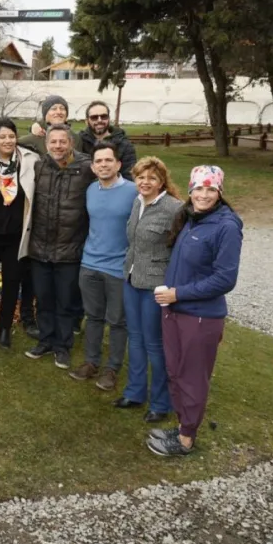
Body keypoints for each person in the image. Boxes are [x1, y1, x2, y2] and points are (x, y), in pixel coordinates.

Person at [146, 165, 242, 457]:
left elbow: (225, 279)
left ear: (220, 192)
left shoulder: (227, 226)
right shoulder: (191, 218)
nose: (203, 194)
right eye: (198, 188)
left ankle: (186, 439)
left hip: (200, 316)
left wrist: (178, 293)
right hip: (174, 310)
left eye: (211, 189)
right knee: (175, 372)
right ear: (190, 190)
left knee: (192, 377)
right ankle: (182, 426)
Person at [116, 157, 184, 422]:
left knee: (154, 344)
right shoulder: (137, 202)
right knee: (135, 339)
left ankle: (160, 403)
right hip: (131, 280)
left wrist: (174, 285)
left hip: (156, 286)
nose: (145, 182)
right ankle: (134, 393)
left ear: (161, 181)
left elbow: (181, 250)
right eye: (141, 177)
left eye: (151, 178)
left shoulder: (174, 208)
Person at [24, 124, 95, 370]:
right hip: (40, 248)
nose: (58, 146)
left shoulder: (86, 169)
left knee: (65, 302)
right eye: (53, 142)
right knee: (44, 299)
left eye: (62, 141)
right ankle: (45, 340)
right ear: (46, 145)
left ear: (71, 143)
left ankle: (62, 346)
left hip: (69, 249)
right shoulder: (39, 166)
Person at [68, 142, 138, 390]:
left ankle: (112, 369)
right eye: (98, 161)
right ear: (93, 167)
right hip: (90, 264)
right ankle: (91, 362)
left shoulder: (133, 191)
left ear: (118, 164)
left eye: (108, 160)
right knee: (93, 317)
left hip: (119, 267)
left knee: (118, 321)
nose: (103, 165)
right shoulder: (90, 190)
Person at [0, 118, 39, 349]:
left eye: (11, 136)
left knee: (12, 282)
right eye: (2, 137)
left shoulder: (30, 161)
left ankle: (4, 327)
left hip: (17, 235)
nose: (7, 141)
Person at [79, 100, 137, 180]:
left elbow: (129, 176)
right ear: (86, 121)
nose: (99, 120)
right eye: (94, 117)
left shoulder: (124, 144)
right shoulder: (79, 141)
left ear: (109, 119)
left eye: (104, 116)